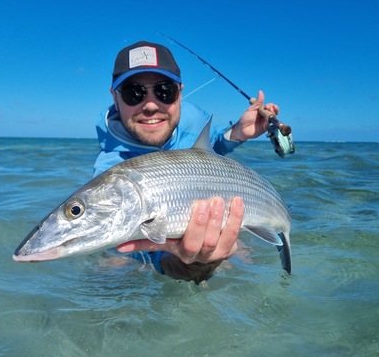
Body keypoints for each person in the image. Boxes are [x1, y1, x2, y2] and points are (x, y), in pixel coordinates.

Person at [93, 41, 280, 284]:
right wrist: (185, 262)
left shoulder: (192, 118)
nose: (151, 105)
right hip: (148, 243)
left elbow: (210, 148)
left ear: (179, 93)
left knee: (243, 258)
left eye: (164, 91)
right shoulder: (110, 169)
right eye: (133, 93)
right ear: (114, 97)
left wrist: (237, 133)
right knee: (110, 268)